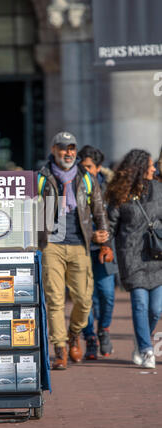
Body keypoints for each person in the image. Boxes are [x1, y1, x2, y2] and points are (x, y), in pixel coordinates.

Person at [38, 132, 113, 370]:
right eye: (63, 148)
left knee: (83, 299)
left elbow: (99, 209)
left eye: (72, 148)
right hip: (51, 245)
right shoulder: (41, 177)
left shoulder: (86, 178)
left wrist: (104, 239)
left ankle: (73, 334)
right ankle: (60, 348)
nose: (68, 153)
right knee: (55, 299)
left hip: (80, 244)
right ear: (53, 149)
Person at [106, 149, 162, 369]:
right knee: (140, 303)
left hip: (156, 255)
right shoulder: (120, 194)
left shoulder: (159, 189)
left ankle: (142, 341)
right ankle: (147, 350)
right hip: (131, 256)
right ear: (139, 168)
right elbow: (110, 225)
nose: (153, 169)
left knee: (156, 309)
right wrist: (104, 243)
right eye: (149, 165)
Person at [78, 145, 118, 360]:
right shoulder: (73, 186)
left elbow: (115, 220)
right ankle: (90, 338)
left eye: (89, 167)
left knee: (107, 295)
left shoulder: (110, 190)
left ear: (99, 168)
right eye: (82, 166)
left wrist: (108, 242)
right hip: (81, 250)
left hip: (105, 249)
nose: (85, 171)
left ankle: (104, 329)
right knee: (85, 298)